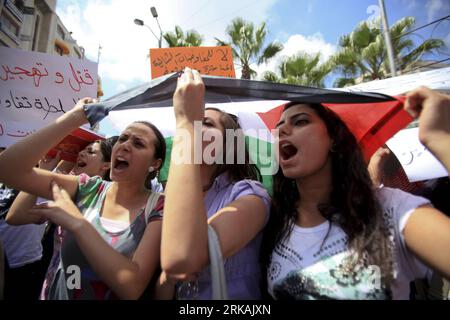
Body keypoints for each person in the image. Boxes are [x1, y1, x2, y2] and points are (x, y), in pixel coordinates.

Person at [261, 86, 450, 300]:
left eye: (300, 121)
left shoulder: (390, 210)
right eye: (279, 127)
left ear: (334, 139)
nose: (282, 131)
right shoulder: (272, 222)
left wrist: (441, 140)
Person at [0, 98, 165, 300]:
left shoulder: (159, 207)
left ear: (155, 164)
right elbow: (8, 169)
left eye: (138, 143)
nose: (125, 146)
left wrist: (77, 224)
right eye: (123, 139)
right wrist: (74, 117)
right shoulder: (87, 187)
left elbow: (131, 287)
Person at [158, 68, 271, 299]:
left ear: (229, 144)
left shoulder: (250, 195)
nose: (196, 127)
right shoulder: (166, 195)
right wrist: (165, 279)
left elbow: (184, 258)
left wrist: (186, 123)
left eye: (206, 123)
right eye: (195, 121)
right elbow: (161, 287)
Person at [6, 136, 118, 300]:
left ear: (106, 165)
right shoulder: (66, 192)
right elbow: (16, 216)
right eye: (82, 149)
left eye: (90, 151)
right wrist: (46, 173)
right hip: (51, 284)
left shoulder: (103, 197)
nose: (81, 153)